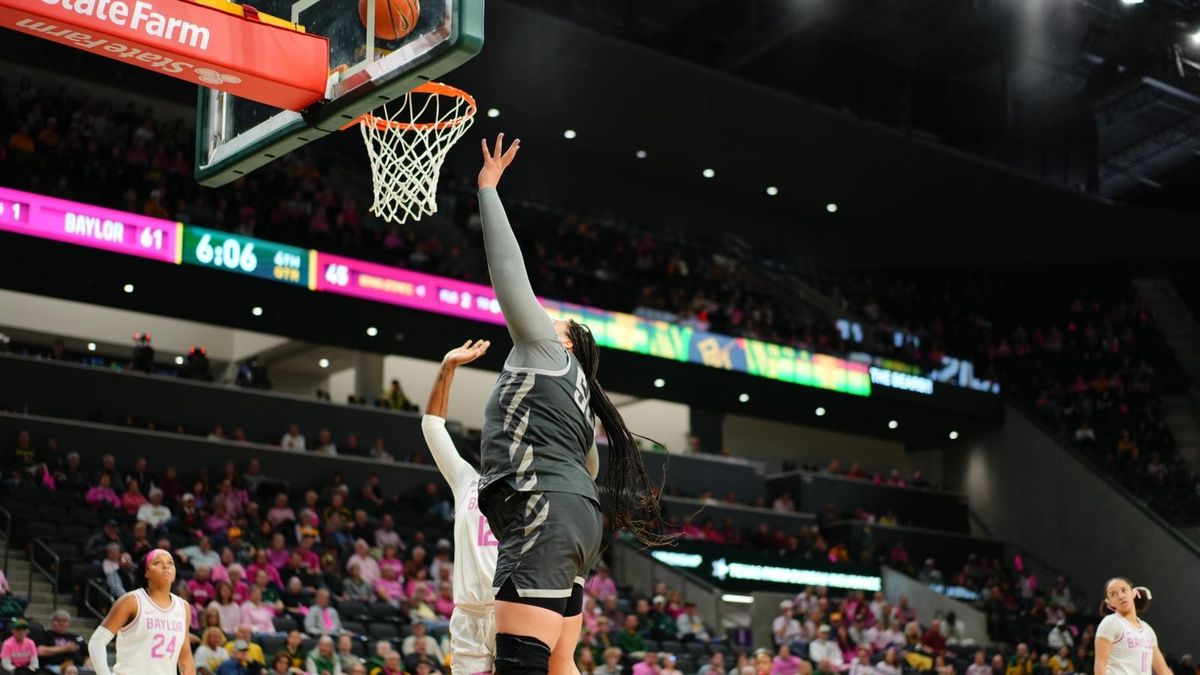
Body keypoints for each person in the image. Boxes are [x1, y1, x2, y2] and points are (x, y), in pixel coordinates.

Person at [474, 134, 667, 675]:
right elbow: (591, 467)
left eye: (550, 322)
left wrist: (488, 190)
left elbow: (508, 275)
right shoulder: (582, 401)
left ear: (564, 344)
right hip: (579, 519)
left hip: (547, 512)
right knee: (562, 662)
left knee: (519, 663)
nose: (539, 320)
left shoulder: (542, 351)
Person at [420, 338, 500, 675]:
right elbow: (432, 425)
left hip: (509, 608)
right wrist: (447, 367)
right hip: (467, 611)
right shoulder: (467, 479)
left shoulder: (531, 483)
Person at [87, 549, 196, 675]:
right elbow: (97, 641)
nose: (166, 566)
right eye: (157, 563)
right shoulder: (131, 601)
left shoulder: (183, 607)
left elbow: (185, 658)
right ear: (146, 573)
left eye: (170, 563)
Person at [1095, 579, 1170, 675]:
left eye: (1124, 590)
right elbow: (1100, 666)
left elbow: (1163, 669)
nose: (1121, 596)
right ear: (1110, 603)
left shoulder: (1148, 630)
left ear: (1133, 593)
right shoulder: (1111, 622)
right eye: (1114, 594)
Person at [38, 609, 89, 674]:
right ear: (52, 622)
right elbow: (40, 651)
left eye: (64, 621)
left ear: (69, 623)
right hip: (54, 667)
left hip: (77, 667)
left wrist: (88, 662)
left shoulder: (78, 637)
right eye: (58, 620)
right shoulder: (45, 634)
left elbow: (88, 653)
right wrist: (64, 649)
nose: (61, 623)